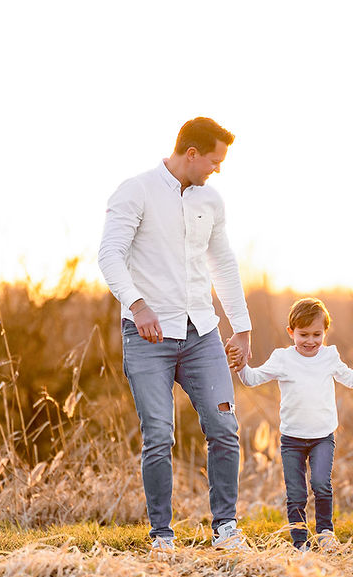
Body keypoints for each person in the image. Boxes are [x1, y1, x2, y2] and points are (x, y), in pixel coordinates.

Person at [98, 117, 253, 553]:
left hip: (202, 333)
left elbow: (223, 263)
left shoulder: (211, 200)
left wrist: (241, 328)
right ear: (191, 154)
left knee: (224, 426)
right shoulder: (136, 191)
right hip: (148, 337)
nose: (217, 169)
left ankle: (226, 529)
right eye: (214, 161)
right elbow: (110, 255)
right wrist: (137, 305)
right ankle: (162, 536)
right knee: (159, 436)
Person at [234, 298, 353, 550]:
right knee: (296, 493)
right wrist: (241, 365)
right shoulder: (282, 358)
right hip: (292, 440)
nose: (310, 341)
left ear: (325, 332)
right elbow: (252, 379)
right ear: (291, 332)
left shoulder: (329, 356)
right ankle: (300, 541)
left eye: (317, 334)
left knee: (321, 484)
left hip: (323, 437)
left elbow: (352, 379)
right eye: (303, 334)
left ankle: (325, 532)